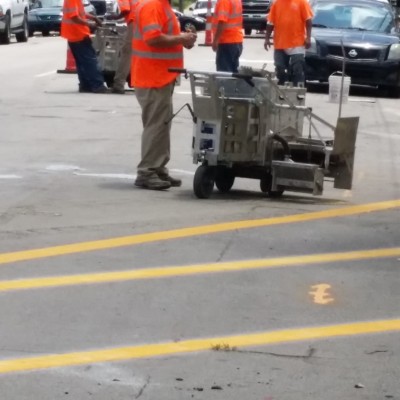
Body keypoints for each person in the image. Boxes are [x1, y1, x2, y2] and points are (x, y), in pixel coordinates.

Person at [132, 0, 197, 190]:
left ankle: (157, 167)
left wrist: (183, 38)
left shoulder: (163, 7)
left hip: (161, 76)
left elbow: (164, 37)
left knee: (161, 125)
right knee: (156, 125)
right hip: (152, 76)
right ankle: (147, 171)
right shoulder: (152, 6)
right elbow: (152, 38)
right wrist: (181, 39)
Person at [61, 0, 109, 93]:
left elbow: (80, 13)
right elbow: (74, 17)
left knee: (82, 62)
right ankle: (97, 85)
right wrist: (89, 24)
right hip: (78, 34)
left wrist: (93, 17)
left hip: (74, 35)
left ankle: (85, 85)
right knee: (90, 61)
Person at [264, 0, 313, 87]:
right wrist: (267, 39)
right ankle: (281, 91)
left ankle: (297, 92)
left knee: (297, 68)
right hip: (280, 43)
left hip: (297, 43)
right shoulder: (276, 3)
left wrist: (308, 37)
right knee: (280, 68)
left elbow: (308, 20)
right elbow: (270, 22)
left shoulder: (301, 2)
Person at [108, 0, 135, 94]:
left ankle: (118, 84)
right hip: (147, 20)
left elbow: (126, 10)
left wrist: (114, 17)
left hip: (136, 22)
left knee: (126, 53)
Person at [211, 0, 243, 72]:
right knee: (233, 73)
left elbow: (222, 21)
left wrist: (215, 40)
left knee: (224, 75)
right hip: (236, 40)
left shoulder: (224, 1)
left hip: (226, 41)